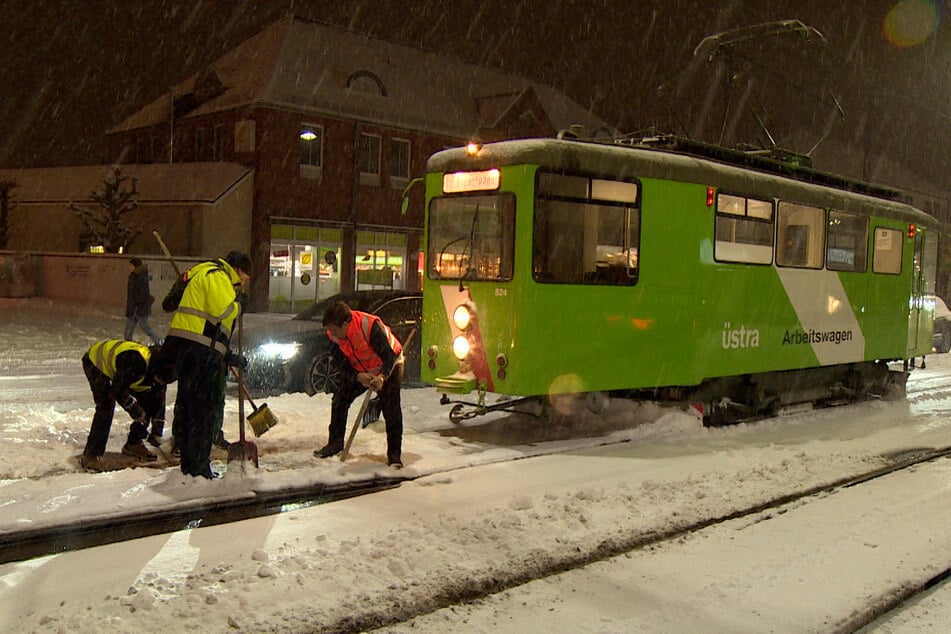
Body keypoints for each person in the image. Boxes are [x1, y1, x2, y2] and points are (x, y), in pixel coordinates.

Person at [161, 251, 251, 479]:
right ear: (238, 270)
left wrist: (227, 356)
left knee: (192, 409)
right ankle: (199, 469)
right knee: (204, 413)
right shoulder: (220, 277)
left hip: (189, 349)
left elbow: (208, 325)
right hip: (200, 353)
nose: (245, 283)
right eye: (246, 277)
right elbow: (222, 312)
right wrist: (239, 305)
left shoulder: (200, 272)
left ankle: (190, 466)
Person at [315, 300, 405, 468]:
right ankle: (335, 444)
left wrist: (382, 377)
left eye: (333, 329)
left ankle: (394, 456)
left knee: (391, 408)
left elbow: (389, 356)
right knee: (340, 399)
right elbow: (340, 363)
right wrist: (357, 376)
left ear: (345, 324)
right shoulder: (333, 335)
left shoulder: (369, 327)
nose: (330, 333)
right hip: (362, 370)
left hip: (389, 366)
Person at [80, 340, 170, 472]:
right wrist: (134, 409)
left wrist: (157, 429)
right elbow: (118, 390)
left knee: (148, 400)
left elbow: (158, 397)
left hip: (124, 372)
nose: (159, 382)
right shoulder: (136, 361)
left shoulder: (163, 368)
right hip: (96, 361)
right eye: (158, 379)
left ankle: (133, 443)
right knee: (106, 404)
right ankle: (91, 454)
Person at [124, 257, 161, 345]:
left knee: (144, 328)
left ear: (135, 266)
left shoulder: (139, 277)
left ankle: (159, 342)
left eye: (130, 265)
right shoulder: (134, 276)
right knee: (129, 329)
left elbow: (142, 294)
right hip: (135, 308)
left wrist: (136, 305)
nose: (129, 267)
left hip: (139, 308)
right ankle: (127, 344)